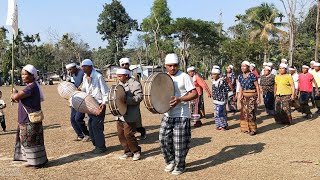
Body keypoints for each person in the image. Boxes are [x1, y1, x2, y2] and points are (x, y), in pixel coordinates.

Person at [160, 53, 198, 175]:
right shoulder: (163, 77)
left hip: (182, 114)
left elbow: (194, 93)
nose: (173, 68)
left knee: (179, 142)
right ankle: (171, 161)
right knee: (163, 139)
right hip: (167, 114)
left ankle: (180, 165)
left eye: (175, 65)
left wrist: (180, 99)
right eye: (170, 66)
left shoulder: (184, 76)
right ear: (165, 65)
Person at [11, 64, 48, 168]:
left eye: (25, 74)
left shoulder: (31, 87)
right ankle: (34, 160)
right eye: (22, 74)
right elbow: (19, 98)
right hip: (27, 118)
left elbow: (17, 97)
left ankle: (38, 162)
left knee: (31, 141)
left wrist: (14, 94)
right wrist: (16, 94)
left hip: (29, 119)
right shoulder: (31, 87)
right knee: (30, 140)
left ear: (32, 76)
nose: (23, 76)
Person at [81, 59, 108, 154]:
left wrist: (104, 104)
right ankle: (97, 145)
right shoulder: (85, 77)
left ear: (91, 67)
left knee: (97, 126)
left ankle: (101, 147)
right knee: (91, 126)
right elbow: (84, 89)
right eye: (82, 66)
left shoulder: (98, 76)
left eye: (85, 66)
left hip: (99, 104)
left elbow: (105, 92)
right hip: (89, 104)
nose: (83, 68)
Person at [115, 68, 143, 161]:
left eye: (120, 76)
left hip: (130, 114)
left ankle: (136, 151)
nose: (118, 78)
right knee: (120, 134)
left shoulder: (135, 84)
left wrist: (127, 100)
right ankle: (127, 151)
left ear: (126, 76)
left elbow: (139, 97)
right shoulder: (119, 85)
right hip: (120, 114)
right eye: (118, 76)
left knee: (128, 134)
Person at [119, 57, 146, 140]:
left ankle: (142, 132)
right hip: (124, 101)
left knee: (136, 119)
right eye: (123, 64)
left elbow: (139, 88)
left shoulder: (134, 75)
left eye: (126, 64)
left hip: (133, 100)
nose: (125, 66)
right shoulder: (120, 75)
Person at [66, 62, 90, 142]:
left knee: (78, 118)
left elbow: (85, 84)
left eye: (70, 69)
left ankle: (87, 134)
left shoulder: (82, 73)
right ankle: (80, 135)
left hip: (82, 98)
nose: (69, 71)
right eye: (68, 70)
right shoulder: (72, 75)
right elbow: (74, 84)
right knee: (73, 119)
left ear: (74, 67)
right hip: (75, 97)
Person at [238, 61, 261, 136]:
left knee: (250, 112)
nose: (242, 68)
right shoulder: (240, 76)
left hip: (252, 96)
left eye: (244, 66)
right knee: (244, 112)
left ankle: (253, 129)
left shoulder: (252, 75)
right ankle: (245, 128)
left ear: (248, 67)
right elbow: (241, 86)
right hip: (244, 96)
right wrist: (240, 95)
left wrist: (259, 97)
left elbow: (257, 86)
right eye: (242, 66)